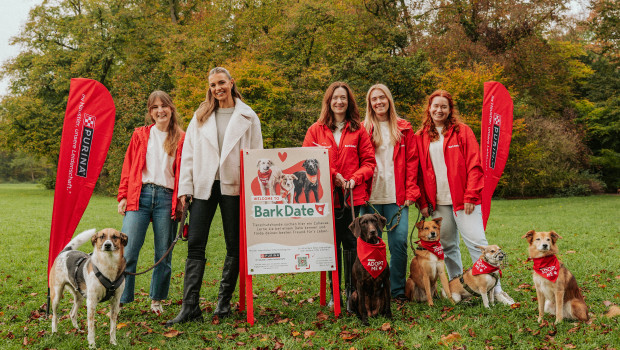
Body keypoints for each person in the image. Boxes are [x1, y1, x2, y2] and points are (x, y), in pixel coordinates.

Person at [166, 67, 263, 326]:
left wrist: (255, 193)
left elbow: (257, 155)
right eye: (212, 85)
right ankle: (190, 307)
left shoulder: (248, 116)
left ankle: (223, 304)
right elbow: (188, 155)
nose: (217, 88)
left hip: (235, 188)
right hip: (203, 186)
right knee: (196, 241)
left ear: (231, 83)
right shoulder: (201, 116)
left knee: (234, 244)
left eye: (221, 83)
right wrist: (184, 190)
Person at [416, 89, 515, 305]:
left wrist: (471, 194)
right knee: (449, 246)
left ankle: (496, 290)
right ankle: (458, 288)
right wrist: (423, 203)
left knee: (477, 243)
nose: (439, 110)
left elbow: (474, 164)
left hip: (464, 201)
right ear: (429, 109)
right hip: (438, 203)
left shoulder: (462, 131)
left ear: (450, 109)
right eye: (435, 106)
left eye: (444, 106)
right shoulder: (421, 136)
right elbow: (419, 174)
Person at [302, 82, 376, 308]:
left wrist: (355, 178)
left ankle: (351, 293)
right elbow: (307, 160)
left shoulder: (358, 129)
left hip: (353, 199)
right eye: (335, 98)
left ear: (349, 101)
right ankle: (334, 291)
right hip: (325, 199)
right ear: (328, 101)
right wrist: (333, 175)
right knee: (331, 246)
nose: (339, 102)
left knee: (352, 247)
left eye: (343, 98)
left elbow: (369, 162)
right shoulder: (316, 129)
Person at [117, 90, 185, 314]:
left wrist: (184, 198)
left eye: (163, 106)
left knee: (163, 253)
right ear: (150, 112)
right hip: (140, 195)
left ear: (170, 108)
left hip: (167, 198)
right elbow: (128, 166)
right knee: (128, 252)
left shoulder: (182, 138)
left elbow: (185, 172)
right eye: (154, 107)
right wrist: (123, 195)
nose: (159, 111)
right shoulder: (140, 135)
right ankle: (122, 298)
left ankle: (157, 300)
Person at [361, 84, 420, 301]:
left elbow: (413, 162)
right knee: (368, 245)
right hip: (370, 198)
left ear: (389, 100)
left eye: (382, 98)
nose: (378, 102)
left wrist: (411, 192)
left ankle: (396, 291)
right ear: (370, 104)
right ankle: (370, 290)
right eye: (374, 99)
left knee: (399, 243)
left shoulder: (404, 128)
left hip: (397, 197)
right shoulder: (362, 128)